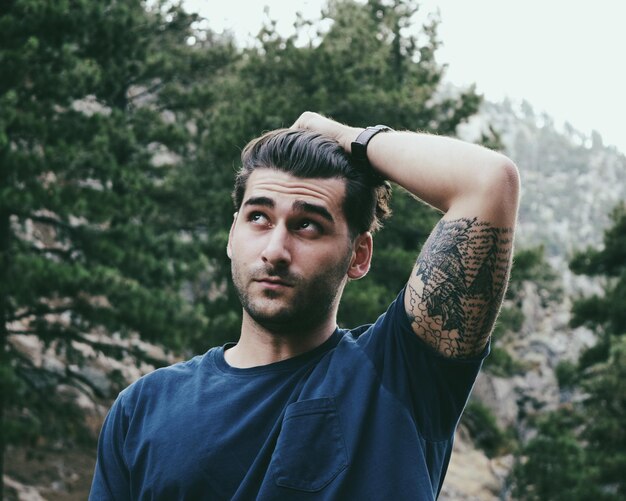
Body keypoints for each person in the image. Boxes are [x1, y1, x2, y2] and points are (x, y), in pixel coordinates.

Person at [89, 112, 519, 500]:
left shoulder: (400, 375)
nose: (275, 250)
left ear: (359, 255)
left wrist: (344, 135)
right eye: (258, 217)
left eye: (307, 225)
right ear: (231, 235)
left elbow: (488, 181)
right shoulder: (142, 409)